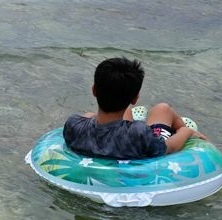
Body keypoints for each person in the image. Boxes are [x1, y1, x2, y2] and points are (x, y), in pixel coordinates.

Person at [63, 57, 207, 160]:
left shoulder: (73, 125)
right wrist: (185, 131)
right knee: (162, 109)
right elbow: (168, 148)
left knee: (91, 114)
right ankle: (181, 129)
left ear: (94, 90)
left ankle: (121, 116)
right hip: (139, 142)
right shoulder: (139, 133)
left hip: (113, 134)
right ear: (135, 98)